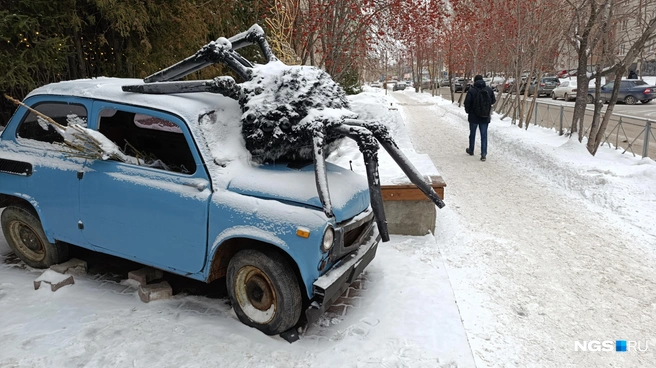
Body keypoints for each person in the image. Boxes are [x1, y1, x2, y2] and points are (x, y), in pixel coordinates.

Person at [464, 75, 496, 161]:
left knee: (472, 134)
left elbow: (467, 103)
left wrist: (468, 111)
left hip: (473, 116)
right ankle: (483, 154)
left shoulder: (472, 90)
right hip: (485, 116)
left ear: (475, 81)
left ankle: (471, 150)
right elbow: (493, 101)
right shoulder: (488, 90)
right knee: (484, 135)